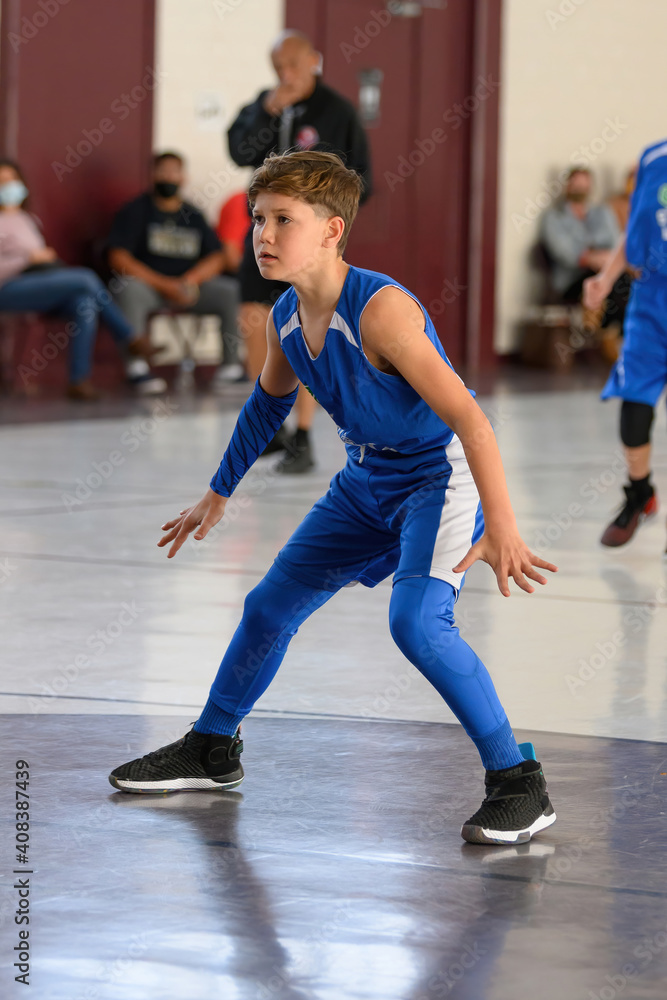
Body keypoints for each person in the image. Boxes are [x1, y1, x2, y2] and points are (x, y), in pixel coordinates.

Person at [109, 151, 559, 847]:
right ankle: (212, 747)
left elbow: (470, 420)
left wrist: (500, 524)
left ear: (331, 230)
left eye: (282, 220)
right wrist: (217, 491)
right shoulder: (287, 314)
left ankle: (518, 783)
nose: (263, 233)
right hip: (364, 481)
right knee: (268, 605)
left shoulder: (380, 310)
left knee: (417, 625)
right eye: (259, 218)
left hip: (437, 479)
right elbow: (266, 406)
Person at [227, 29, 372, 473]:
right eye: (277, 68)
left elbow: (360, 177)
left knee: (312, 323)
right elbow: (237, 151)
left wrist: (324, 227)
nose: (285, 75)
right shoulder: (263, 104)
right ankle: (271, 422)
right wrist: (265, 112)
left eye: (291, 65)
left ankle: (304, 433)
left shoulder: (337, 110)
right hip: (270, 229)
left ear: (313, 59)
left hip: (310, 236)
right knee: (253, 314)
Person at [0, 159, 165, 400]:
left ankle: (79, 381)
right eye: (2, 182)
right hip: (8, 287)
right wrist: (27, 259)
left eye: (12, 180)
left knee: (84, 303)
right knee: (86, 278)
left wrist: (40, 260)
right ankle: (129, 337)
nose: (8, 187)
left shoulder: (27, 219)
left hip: (35, 283)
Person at [584, 139, 667, 550]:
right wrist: (607, 277)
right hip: (651, 305)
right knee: (634, 408)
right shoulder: (654, 158)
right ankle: (640, 493)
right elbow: (635, 228)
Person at [107, 152, 241, 380]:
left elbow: (217, 257)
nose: (169, 176)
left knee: (230, 291)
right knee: (127, 288)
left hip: (188, 289)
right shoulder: (135, 211)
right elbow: (118, 257)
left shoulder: (193, 214)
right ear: (152, 175)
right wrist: (164, 285)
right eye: (163, 171)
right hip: (150, 288)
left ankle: (231, 369)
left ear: (183, 177)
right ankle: (137, 369)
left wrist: (191, 280)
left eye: (174, 171)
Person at [540, 166, 620, 302]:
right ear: (567, 186)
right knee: (607, 284)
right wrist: (591, 258)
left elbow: (616, 243)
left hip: (604, 270)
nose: (580, 189)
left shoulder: (602, 212)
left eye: (584, 185)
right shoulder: (554, 217)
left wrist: (605, 259)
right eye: (576, 184)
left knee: (622, 281)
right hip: (572, 280)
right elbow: (564, 253)